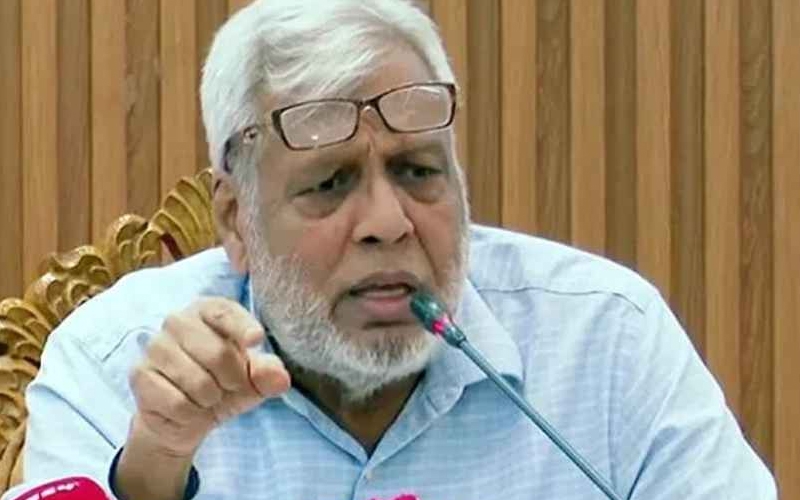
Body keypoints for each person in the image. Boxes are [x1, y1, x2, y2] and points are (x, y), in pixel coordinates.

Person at [4, 1, 776, 499]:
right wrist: (156, 461)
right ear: (237, 221)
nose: (388, 222)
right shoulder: (116, 361)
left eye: (417, 172)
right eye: (330, 183)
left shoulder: (606, 341)